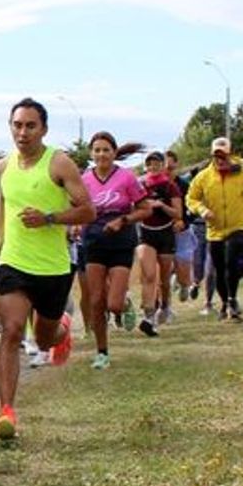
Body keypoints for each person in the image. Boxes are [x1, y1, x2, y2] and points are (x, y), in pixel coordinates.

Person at [0, 99, 94, 440]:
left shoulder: (59, 163)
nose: (23, 132)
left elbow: (88, 211)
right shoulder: (3, 166)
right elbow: (4, 200)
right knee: (11, 331)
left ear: (43, 129)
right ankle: (6, 412)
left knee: (45, 338)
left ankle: (62, 329)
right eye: (17, 125)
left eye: (30, 126)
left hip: (52, 267)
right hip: (13, 262)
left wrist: (49, 218)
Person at [80, 132, 150, 366]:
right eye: (97, 150)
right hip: (93, 242)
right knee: (96, 301)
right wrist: (75, 225)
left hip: (121, 242)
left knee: (113, 305)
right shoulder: (84, 179)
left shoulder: (127, 177)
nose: (101, 154)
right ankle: (102, 353)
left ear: (114, 152)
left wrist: (123, 220)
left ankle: (124, 304)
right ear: (91, 154)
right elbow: (77, 208)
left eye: (106, 150)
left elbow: (145, 209)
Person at [185, 137, 243, 321]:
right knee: (219, 268)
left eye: (223, 155)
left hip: (238, 225)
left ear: (230, 154)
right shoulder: (204, 177)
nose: (220, 159)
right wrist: (202, 210)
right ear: (212, 156)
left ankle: (232, 300)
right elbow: (191, 198)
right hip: (214, 230)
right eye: (217, 156)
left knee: (231, 260)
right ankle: (225, 303)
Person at [137, 151, 183, 335]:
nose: (153, 167)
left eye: (156, 163)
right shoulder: (140, 185)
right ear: (145, 166)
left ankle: (165, 306)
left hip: (165, 234)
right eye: (149, 164)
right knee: (149, 275)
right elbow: (133, 208)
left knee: (164, 279)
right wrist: (144, 206)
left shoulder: (170, 186)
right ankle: (148, 317)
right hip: (145, 233)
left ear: (163, 166)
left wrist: (162, 205)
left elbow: (178, 214)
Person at [165, 151, 197, 306]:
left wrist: (184, 221)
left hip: (182, 233)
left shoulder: (184, 186)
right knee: (160, 271)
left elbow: (193, 209)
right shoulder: (154, 186)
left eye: (170, 168)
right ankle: (164, 306)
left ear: (176, 165)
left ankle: (183, 283)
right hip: (162, 234)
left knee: (184, 276)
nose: (167, 172)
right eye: (164, 168)